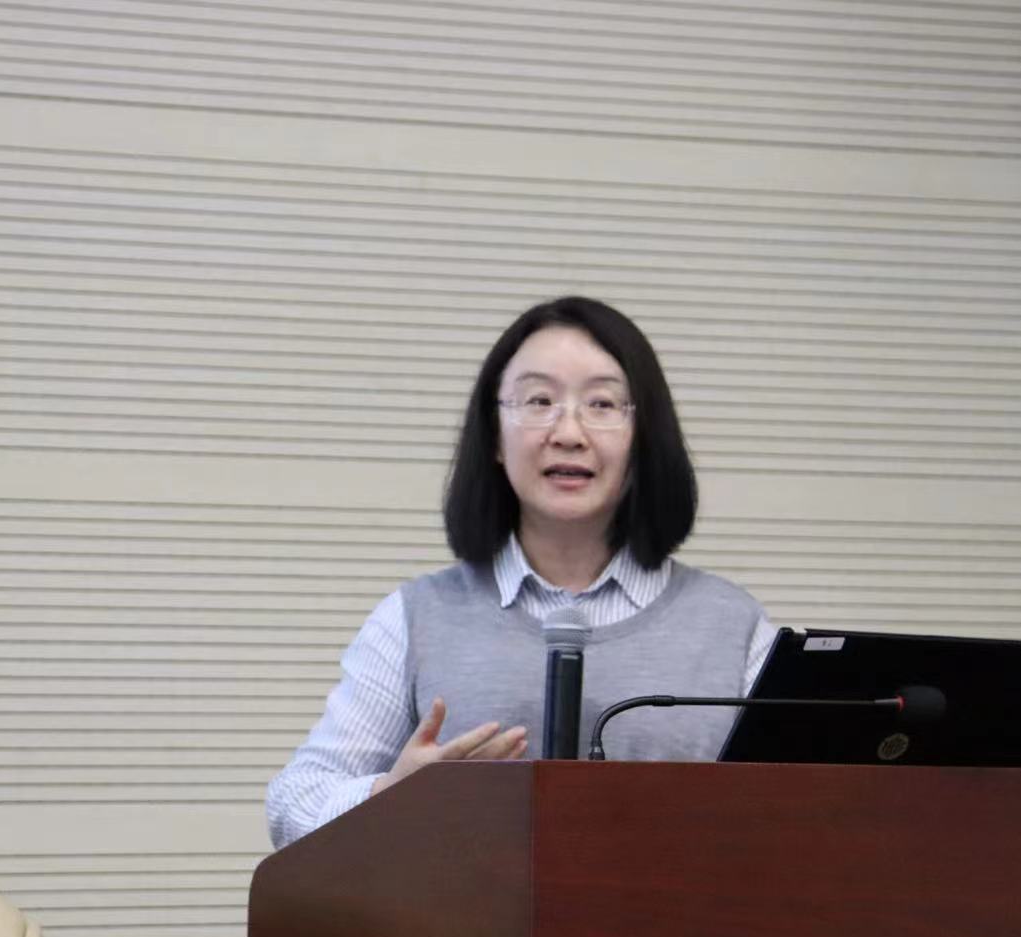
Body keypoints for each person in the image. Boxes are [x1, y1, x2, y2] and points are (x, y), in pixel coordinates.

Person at [265, 296, 775, 850]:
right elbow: (294, 804)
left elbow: (808, 818)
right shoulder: (416, 618)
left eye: (602, 404)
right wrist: (393, 794)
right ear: (494, 437)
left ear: (644, 437)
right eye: (539, 401)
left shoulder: (735, 627)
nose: (569, 432)